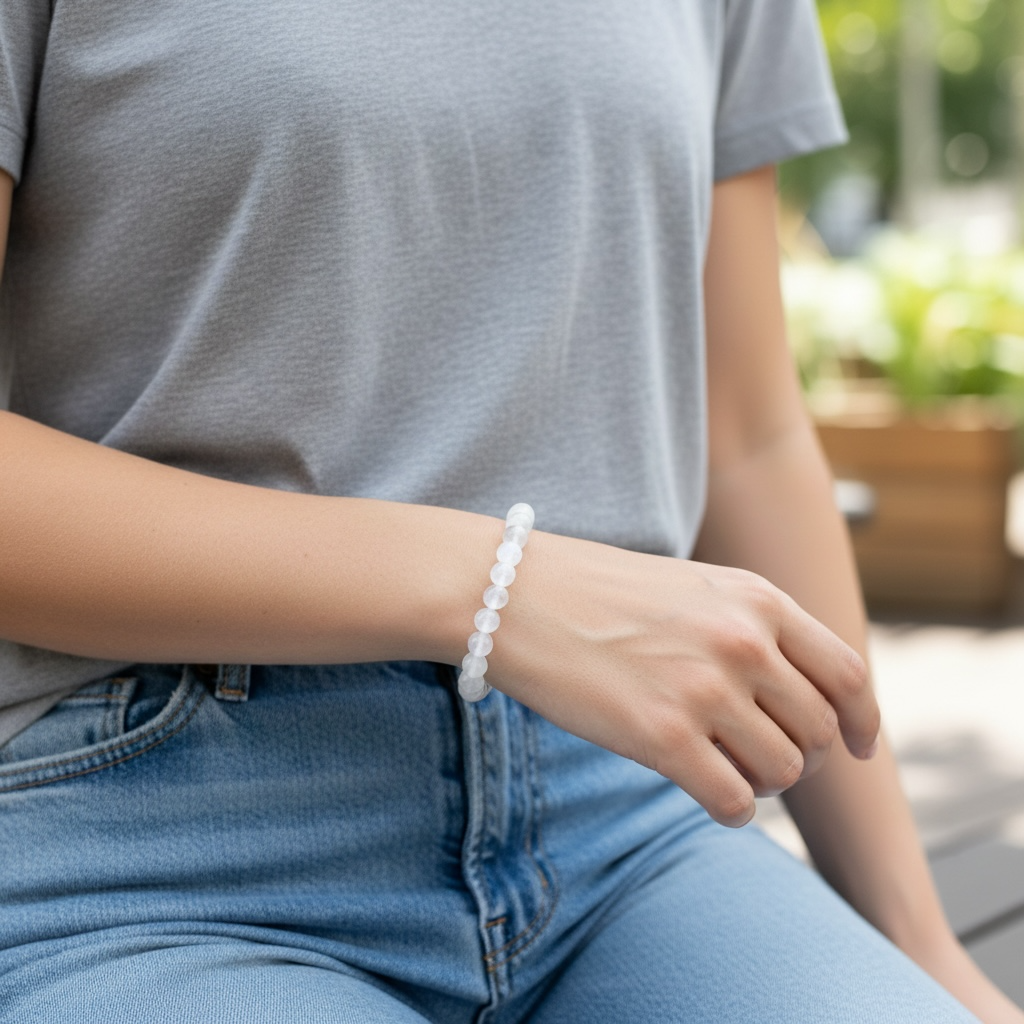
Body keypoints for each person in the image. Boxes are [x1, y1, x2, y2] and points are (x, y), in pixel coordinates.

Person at [0, 1, 1020, 1021]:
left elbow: (748, 434)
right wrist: (498, 587)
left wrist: (914, 936)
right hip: (146, 841)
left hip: (624, 822)